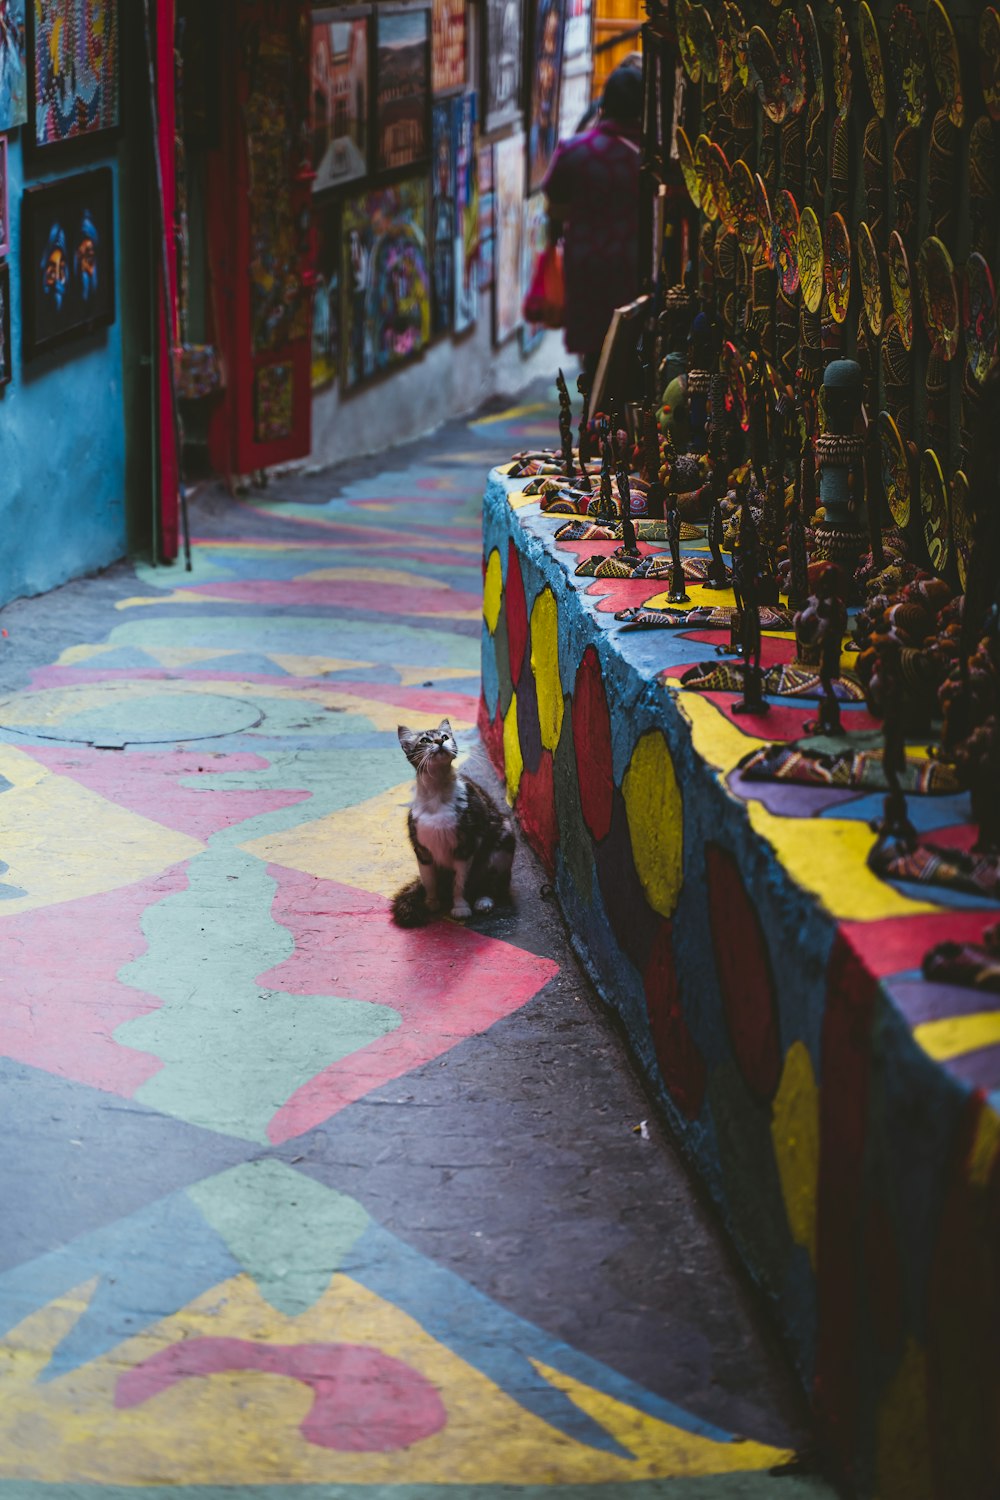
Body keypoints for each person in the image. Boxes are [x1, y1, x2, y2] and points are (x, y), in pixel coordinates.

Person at [542, 60, 643, 389]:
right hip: (636, 271)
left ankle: (596, 427)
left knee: (594, 360)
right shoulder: (650, 159)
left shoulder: (575, 151)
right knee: (632, 358)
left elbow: (554, 202)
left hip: (586, 270)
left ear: (604, 106)